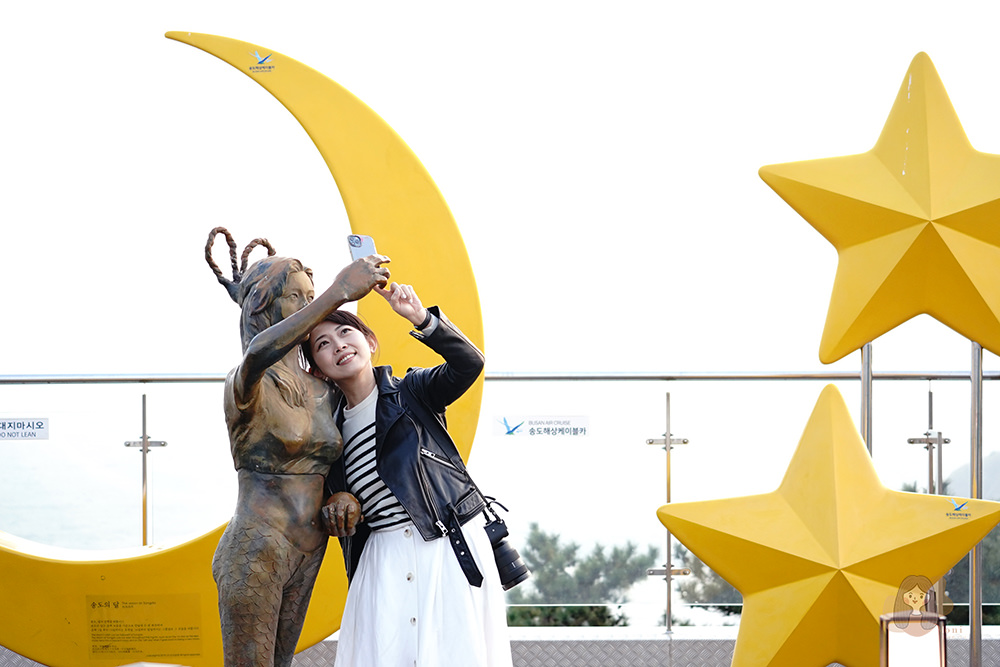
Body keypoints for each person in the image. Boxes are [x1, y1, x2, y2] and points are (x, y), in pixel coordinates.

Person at [205, 227, 388, 667]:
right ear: (264, 309)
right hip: (257, 546)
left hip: (311, 548)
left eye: (312, 297)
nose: (311, 308)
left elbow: (337, 466)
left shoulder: (324, 389)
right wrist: (338, 292)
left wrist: (341, 497)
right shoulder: (246, 381)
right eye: (298, 298)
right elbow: (259, 353)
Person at [304, 281, 513, 667]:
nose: (338, 345)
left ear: (370, 341)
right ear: (319, 370)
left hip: (444, 546)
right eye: (323, 344)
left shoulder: (413, 391)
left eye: (346, 332)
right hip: (381, 556)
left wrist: (420, 317)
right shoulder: (325, 434)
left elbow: (470, 364)